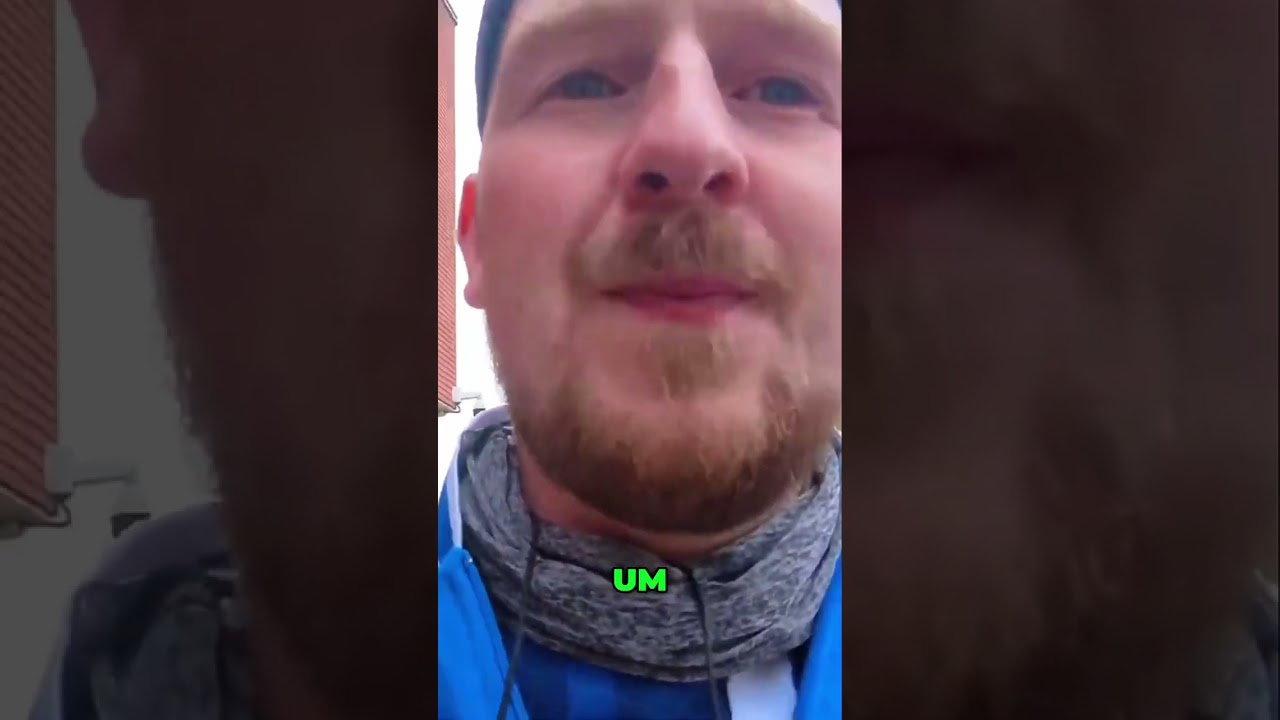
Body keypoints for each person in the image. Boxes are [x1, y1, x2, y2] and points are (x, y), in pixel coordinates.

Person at [28, 0, 1277, 719]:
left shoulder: (1174, 665)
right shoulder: (178, 657)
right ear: (471, 243)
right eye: (586, 79)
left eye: (779, 89)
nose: (686, 142)